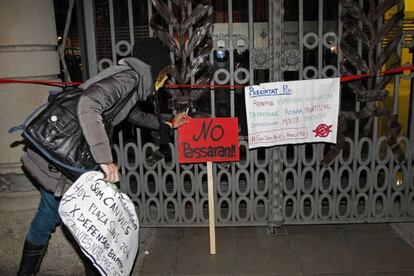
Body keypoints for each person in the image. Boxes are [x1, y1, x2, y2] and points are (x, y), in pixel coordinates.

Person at [16, 37, 190, 275]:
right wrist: (105, 159)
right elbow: (89, 104)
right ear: (154, 67)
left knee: (47, 216)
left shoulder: (128, 77)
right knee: (92, 227)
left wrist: (168, 124)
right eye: (163, 73)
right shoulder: (129, 78)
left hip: (64, 155)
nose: (164, 80)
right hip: (73, 156)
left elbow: (132, 115)